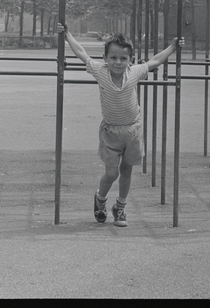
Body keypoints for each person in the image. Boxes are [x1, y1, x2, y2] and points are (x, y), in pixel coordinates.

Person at [57, 22, 183, 227]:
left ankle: (120, 208)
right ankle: (100, 199)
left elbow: (155, 61)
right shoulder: (100, 71)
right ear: (105, 59)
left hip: (133, 130)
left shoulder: (134, 72)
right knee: (111, 173)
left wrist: (172, 47)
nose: (118, 62)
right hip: (110, 132)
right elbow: (81, 53)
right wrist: (68, 35)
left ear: (130, 60)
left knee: (127, 171)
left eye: (123, 58)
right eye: (113, 58)